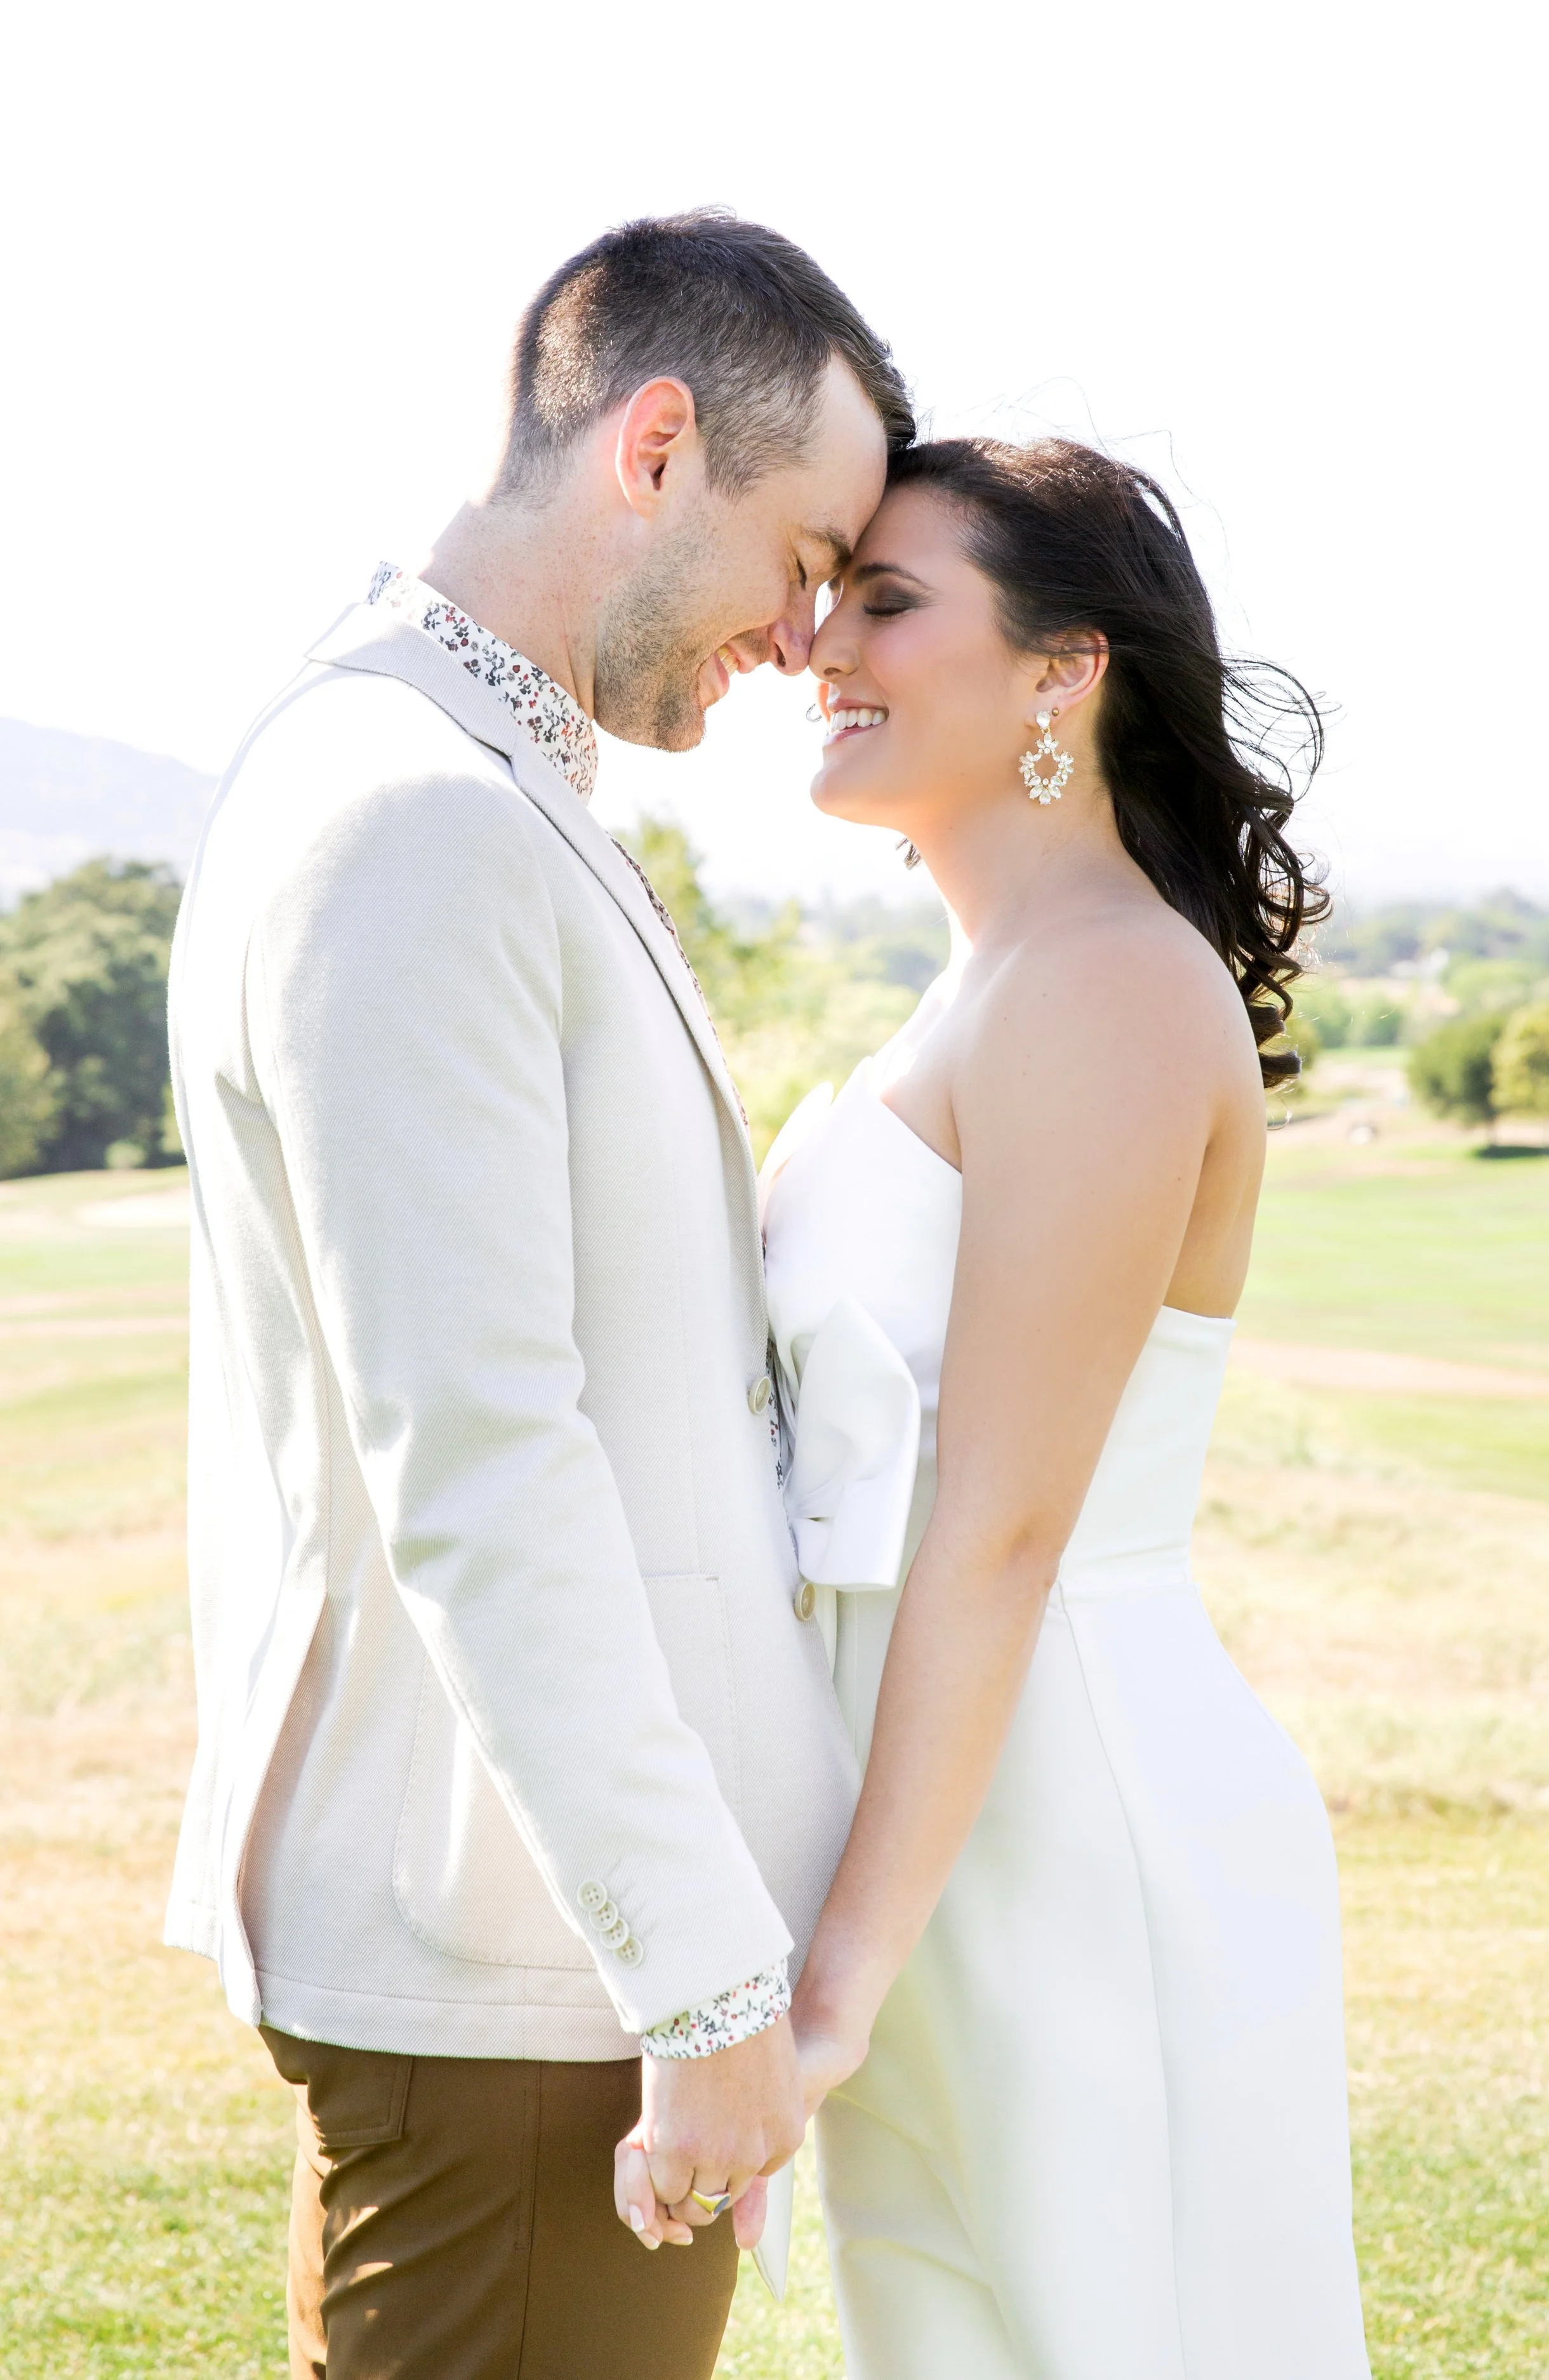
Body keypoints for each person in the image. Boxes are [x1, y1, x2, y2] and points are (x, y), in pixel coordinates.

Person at [163, 210, 911, 2380]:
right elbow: (480, 1462)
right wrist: (699, 1982)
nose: (806, 632)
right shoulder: (412, 818)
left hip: (551, 1960)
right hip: (522, 1972)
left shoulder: (481, 784)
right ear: (655, 444)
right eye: (804, 551)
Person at [759, 437, 1373, 2377]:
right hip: (922, 1822)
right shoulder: (965, 993)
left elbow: (1008, 1521)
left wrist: (841, 1972)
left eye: (886, 599)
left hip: (1074, 1817)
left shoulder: (1107, 983)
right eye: (826, 592)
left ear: (1061, 669)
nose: (814, 644)